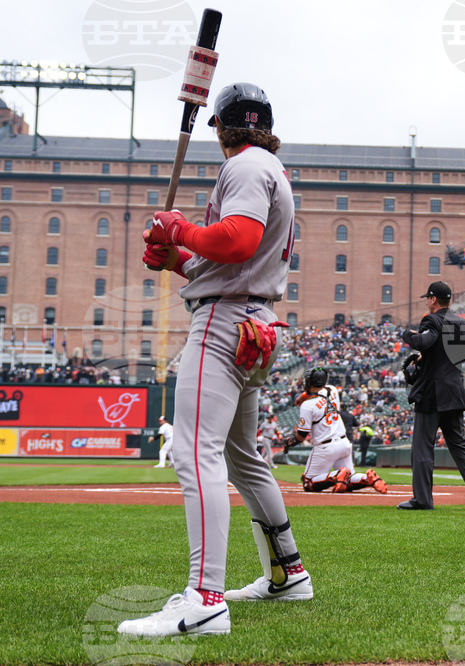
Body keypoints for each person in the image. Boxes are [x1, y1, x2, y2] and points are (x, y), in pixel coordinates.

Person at [119, 83, 311, 637]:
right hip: (253, 317)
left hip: (225, 323)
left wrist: (182, 230)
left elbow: (237, 241)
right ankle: (289, 573)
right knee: (244, 459)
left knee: (191, 452)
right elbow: (224, 263)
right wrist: (179, 256)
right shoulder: (270, 165)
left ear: (219, 127)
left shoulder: (245, 166)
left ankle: (204, 600)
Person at [398, 281, 465, 511]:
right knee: (460, 444)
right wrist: (428, 359)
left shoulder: (431, 320)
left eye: (427, 298)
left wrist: (407, 334)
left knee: (422, 447)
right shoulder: (462, 323)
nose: (426, 302)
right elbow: (456, 355)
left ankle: (422, 499)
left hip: (433, 393)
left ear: (433, 299)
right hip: (454, 390)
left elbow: (425, 340)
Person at [293, 367, 387, 494]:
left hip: (325, 447)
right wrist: (303, 396)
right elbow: (318, 392)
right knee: (348, 479)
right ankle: (367, 479)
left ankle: (337, 475)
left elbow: (302, 435)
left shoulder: (307, 405)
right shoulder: (332, 390)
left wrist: (290, 442)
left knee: (308, 483)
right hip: (343, 443)